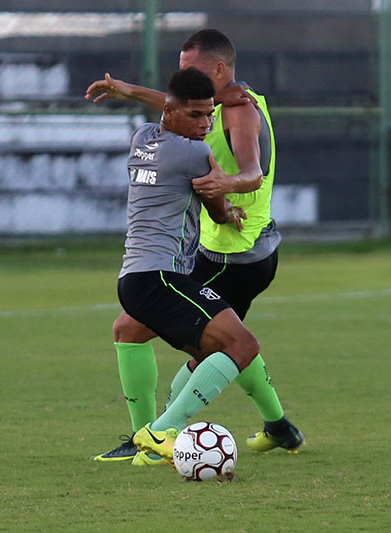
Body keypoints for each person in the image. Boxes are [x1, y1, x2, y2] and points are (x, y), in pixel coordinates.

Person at [87, 29, 304, 464]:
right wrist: (131, 91)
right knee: (194, 339)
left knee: (223, 346)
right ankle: (276, 426)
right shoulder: (212, 110)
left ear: (219, 69)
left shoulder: (237, 111)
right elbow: (181, 104)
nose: (183, 76)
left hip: (236, 253)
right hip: (216, 249)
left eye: (192, 70)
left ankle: (154, 436)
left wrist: (226, 184)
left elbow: (253, 173)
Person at [108, 66, 261, 462]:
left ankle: (147, 446)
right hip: (162, 277)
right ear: (170, 111)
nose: (206, 124)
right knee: (241, 345)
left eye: (209, 115)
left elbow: (170, 105)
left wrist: (133, 91)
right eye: (196, 115)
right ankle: (159, 432)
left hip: (135, 278)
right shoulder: (195, 154)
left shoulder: (142, 137)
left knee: (217, 352)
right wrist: (229, 210)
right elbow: (218, 207)